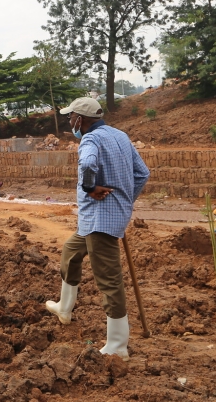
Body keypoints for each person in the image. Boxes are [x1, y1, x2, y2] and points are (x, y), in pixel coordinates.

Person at [44, 97, 149, 360]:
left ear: (81, 119)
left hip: (101, 221)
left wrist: (90, 187)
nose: (70, 122)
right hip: (94, 220)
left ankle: (117, 345)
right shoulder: (120, 136)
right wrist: (125, 201)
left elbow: (88, 165)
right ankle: (64, 308)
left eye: (71, 118)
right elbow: (142, 173)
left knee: (109, 280)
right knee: (71, 251)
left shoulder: (90, 140)